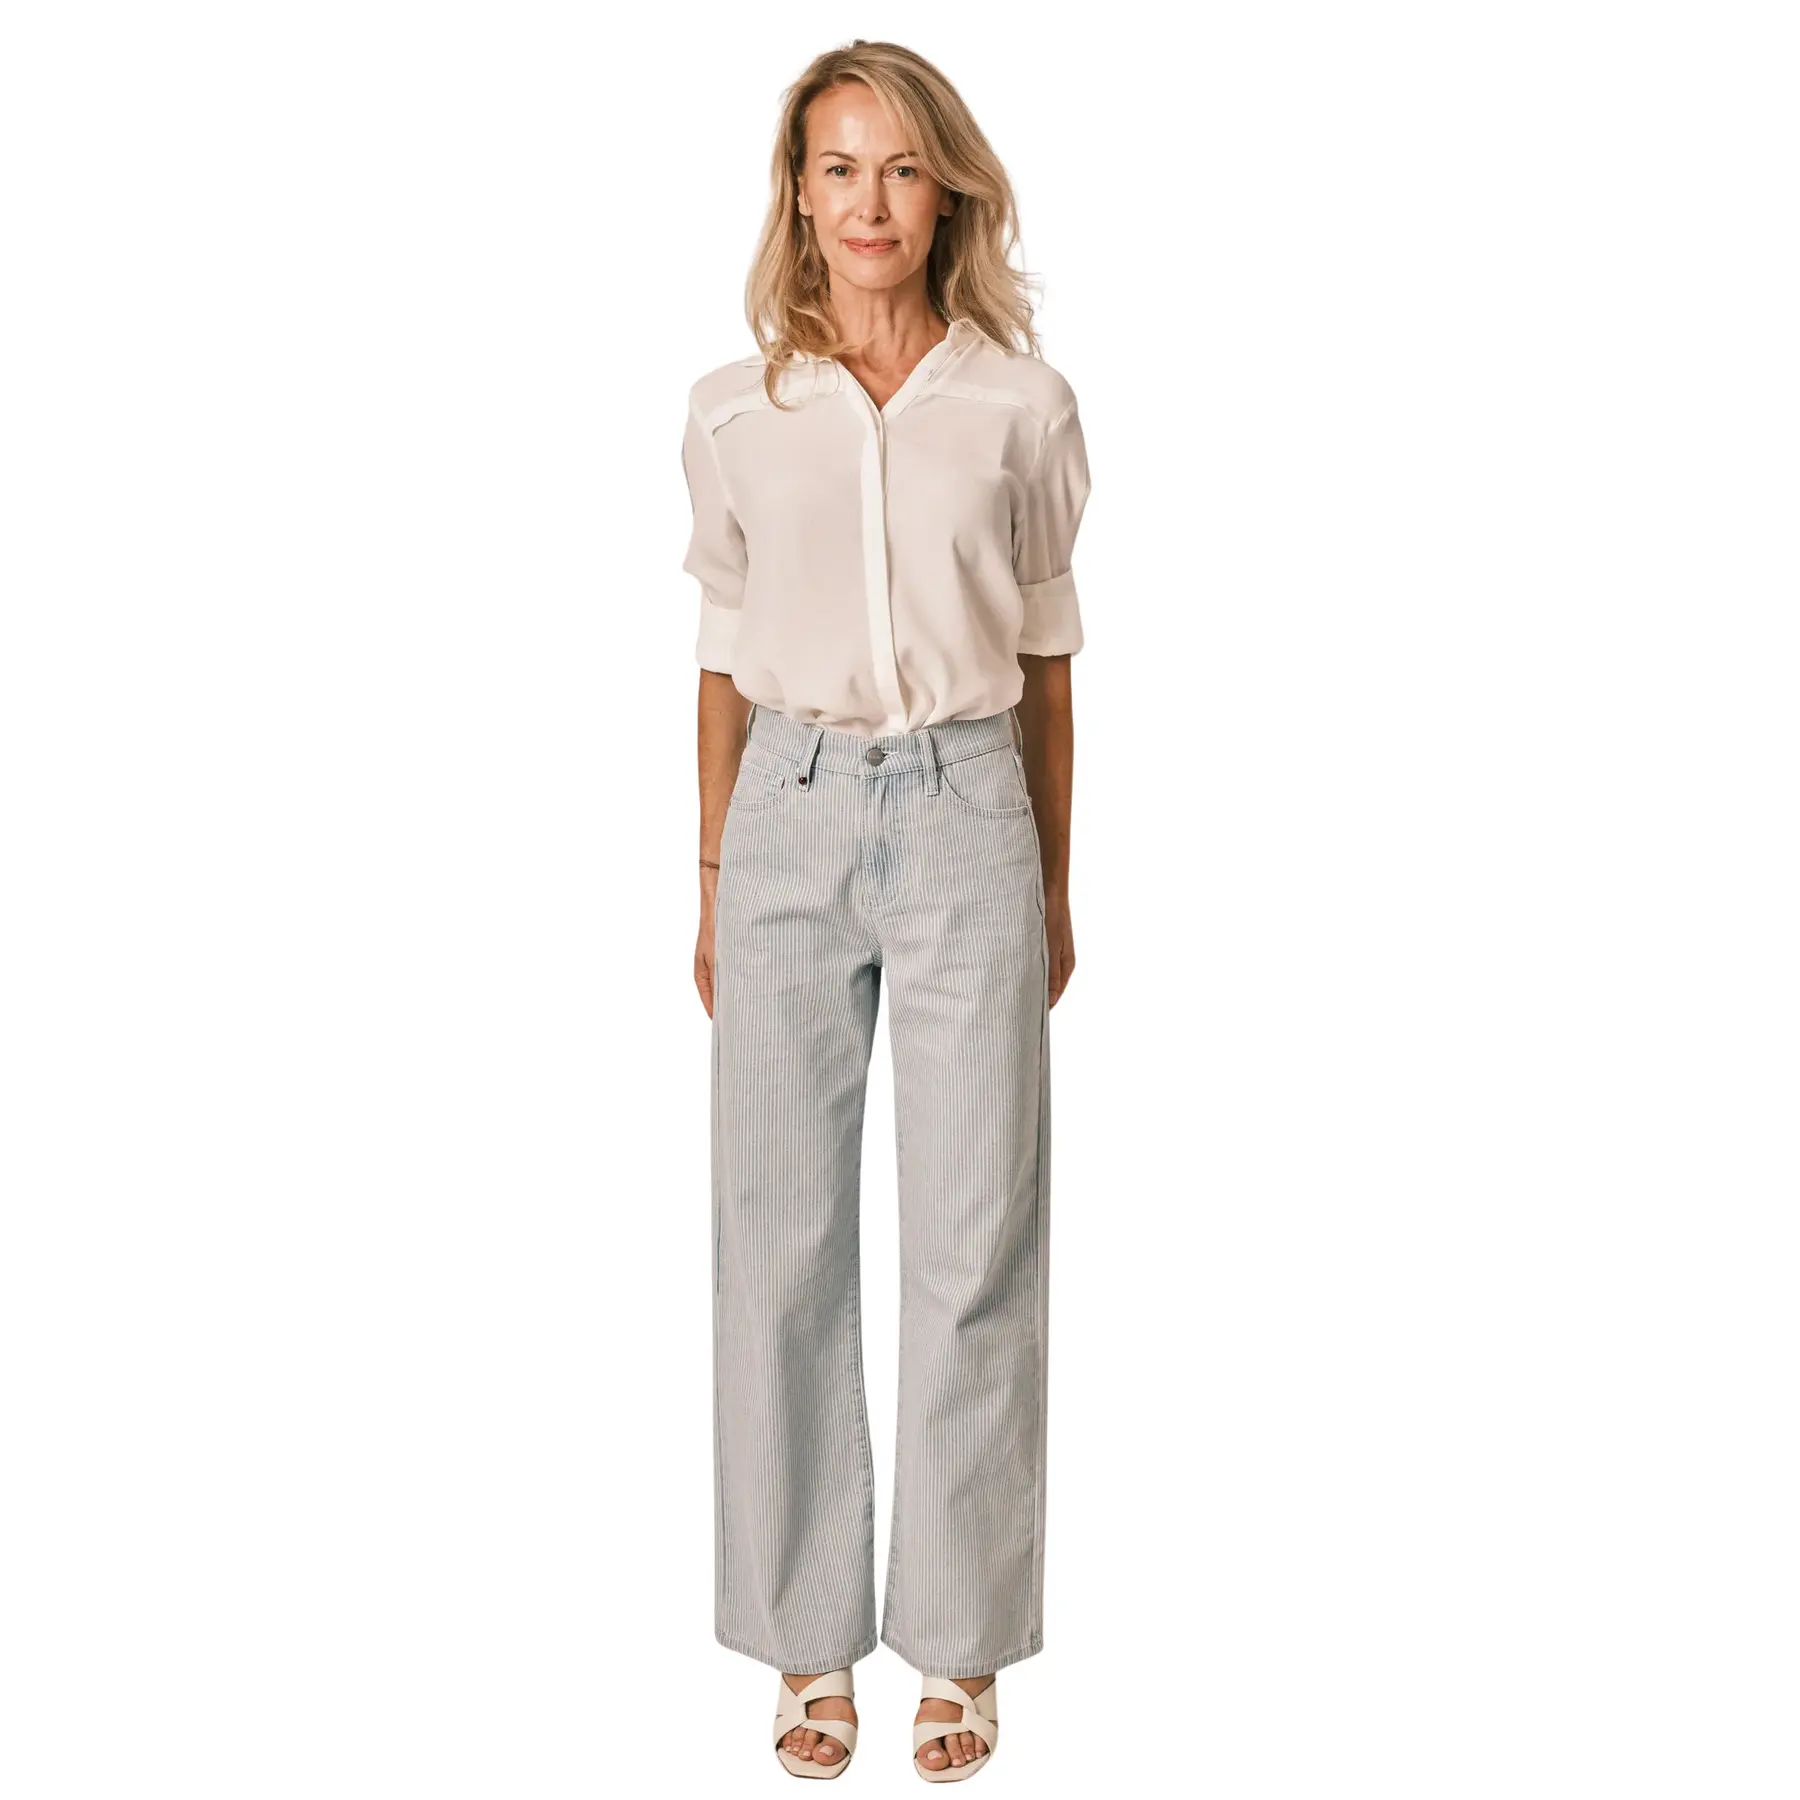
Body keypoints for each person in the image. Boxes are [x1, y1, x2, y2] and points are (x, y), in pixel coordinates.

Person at [682, 40, 1089, 1783]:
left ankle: (962, 1642)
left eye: (902, 168)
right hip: (785, 813)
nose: (870, 202)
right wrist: (714, 873)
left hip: (970, 806)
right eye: (839, 168)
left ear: (948, 194)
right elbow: (719, 653)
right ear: (798, 192)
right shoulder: (733, 409)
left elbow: (1050, 657)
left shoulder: (1022, 404)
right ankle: (804, 1638)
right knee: (777, 1230)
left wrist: (1051, 878)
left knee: (975, 1234)